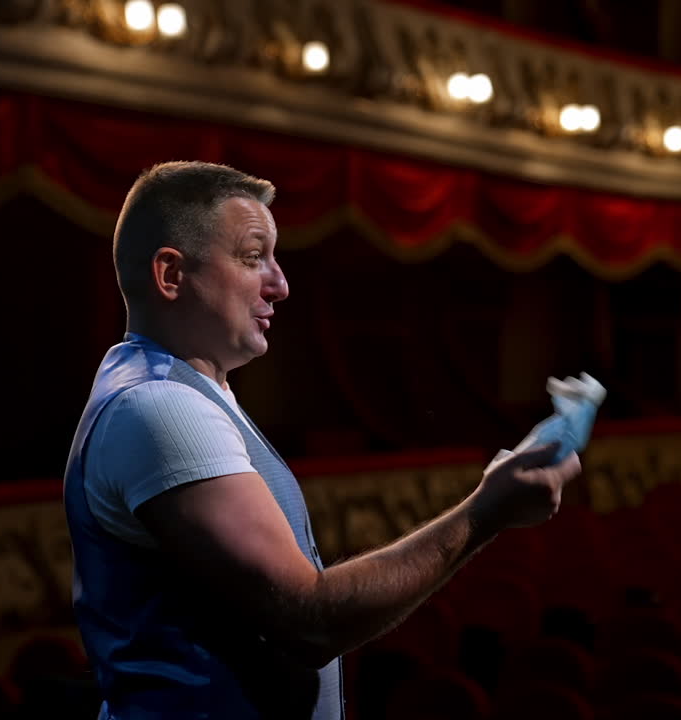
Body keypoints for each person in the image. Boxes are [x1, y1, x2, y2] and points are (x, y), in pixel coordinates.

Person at [63, 161, 583, 719]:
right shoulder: (161, 405)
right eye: (251, 256)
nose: (280, 284)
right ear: (171, 275)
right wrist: (486, 511)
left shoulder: (178, 388)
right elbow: (309, 620)